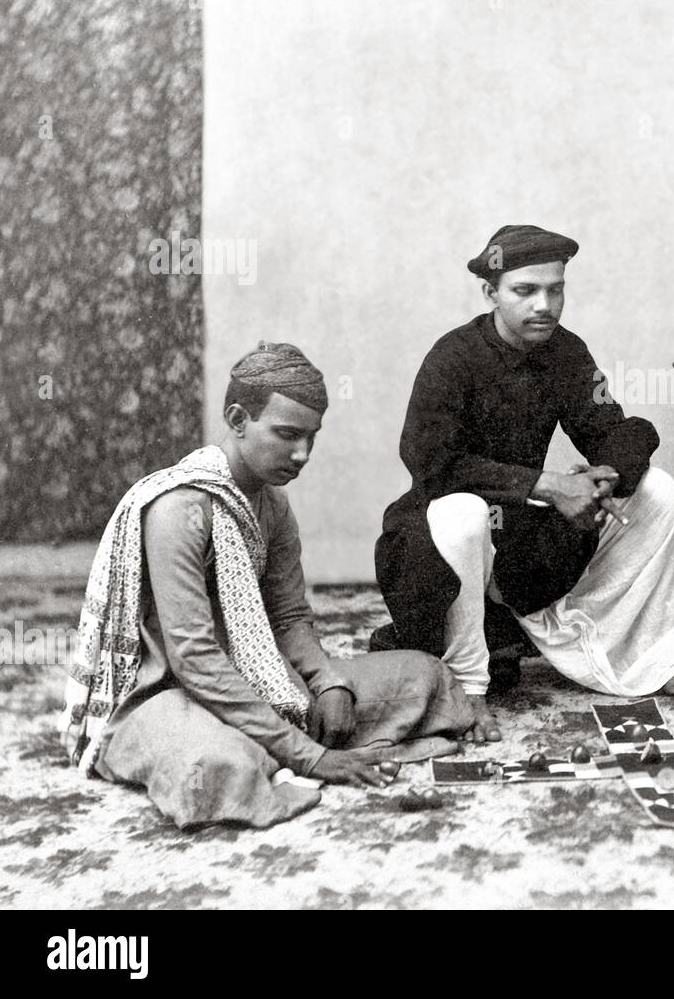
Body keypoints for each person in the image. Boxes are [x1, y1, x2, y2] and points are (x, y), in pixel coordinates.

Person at [59, 343, 472, 829]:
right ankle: (271, 751)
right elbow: (194, 659)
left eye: (311, 438)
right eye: (288, 435)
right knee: (214, 769)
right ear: (237, 418)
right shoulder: (178, 509)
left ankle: (272, 745)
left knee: (423, 676)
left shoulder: (272, 505)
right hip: (167, 694)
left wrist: (328, 681)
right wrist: (308, 756)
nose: (303, 455)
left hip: (259, 676)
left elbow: (290, 618)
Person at [373, 224, 674, 743]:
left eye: (555, 289)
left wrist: (607, 477)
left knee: (658, 492)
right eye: (525, 290)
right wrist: (549, 484)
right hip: (437, 542)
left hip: (522, 540)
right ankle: (466, 686)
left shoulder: (566, 352)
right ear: (491, 293)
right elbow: (429, 465)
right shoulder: (453, 358)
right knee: (463, 511)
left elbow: (615, 429)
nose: (544, 305)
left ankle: (649, 659)